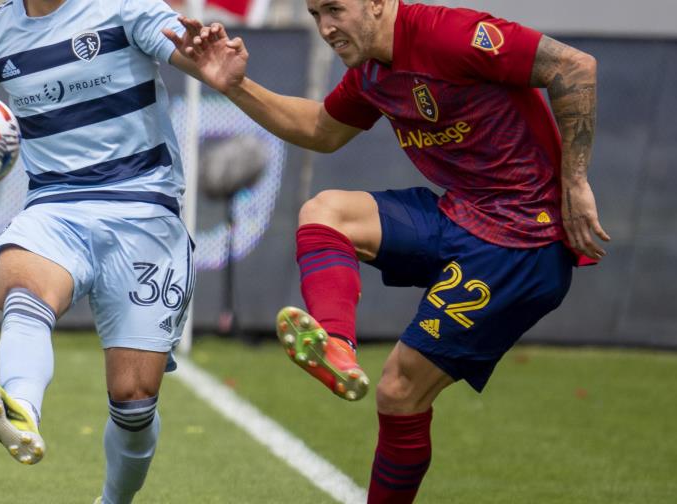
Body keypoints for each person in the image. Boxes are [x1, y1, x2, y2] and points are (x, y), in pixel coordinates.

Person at [165, 0, 609, 501]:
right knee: (326, 212)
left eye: (335, 9)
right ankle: (336, 344)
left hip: (522, 243)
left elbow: (572, 65)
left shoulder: (452, 35)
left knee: (399, 392)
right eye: (314, 15)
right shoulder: (373, 71)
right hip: (461, 217)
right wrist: (235, 85)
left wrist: (574, 183)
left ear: (377, 3)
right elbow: (319, 131)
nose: (326, 27)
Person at [0, 1, 208, 502]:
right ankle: (21, 411)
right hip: (56, 206)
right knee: (21, 280)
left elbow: (190, 53)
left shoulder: (124, 6)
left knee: (134, 401)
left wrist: (208, 56)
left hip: (145, 211)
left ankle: (113, 500)